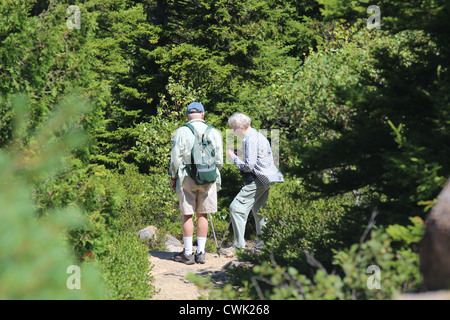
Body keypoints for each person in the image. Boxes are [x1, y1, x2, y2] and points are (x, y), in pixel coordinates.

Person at [168, 102, 223, 264]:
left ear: (187, 116)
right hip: (208, 177)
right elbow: (219, 160)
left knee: (187, 214)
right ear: (203, 114)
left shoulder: (182, 131)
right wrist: (211, 172)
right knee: (203, 214)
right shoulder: (214, 132)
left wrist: (173, 177)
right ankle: (201, 252)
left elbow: (175, 158)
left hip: (186, 176)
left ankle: (187, 253)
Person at [222, 112, 284, 256]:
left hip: (258, 179)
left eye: (233, 128)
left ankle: (238, 247)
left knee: (236, 208)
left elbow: (249, 166)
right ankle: (263, 248)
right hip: (268, 179)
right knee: (260, 212)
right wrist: (241, 155)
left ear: (241, 127)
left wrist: (233, 158)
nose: (233, 132)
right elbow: (261, 159)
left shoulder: (249, 139)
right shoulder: (259, 136)